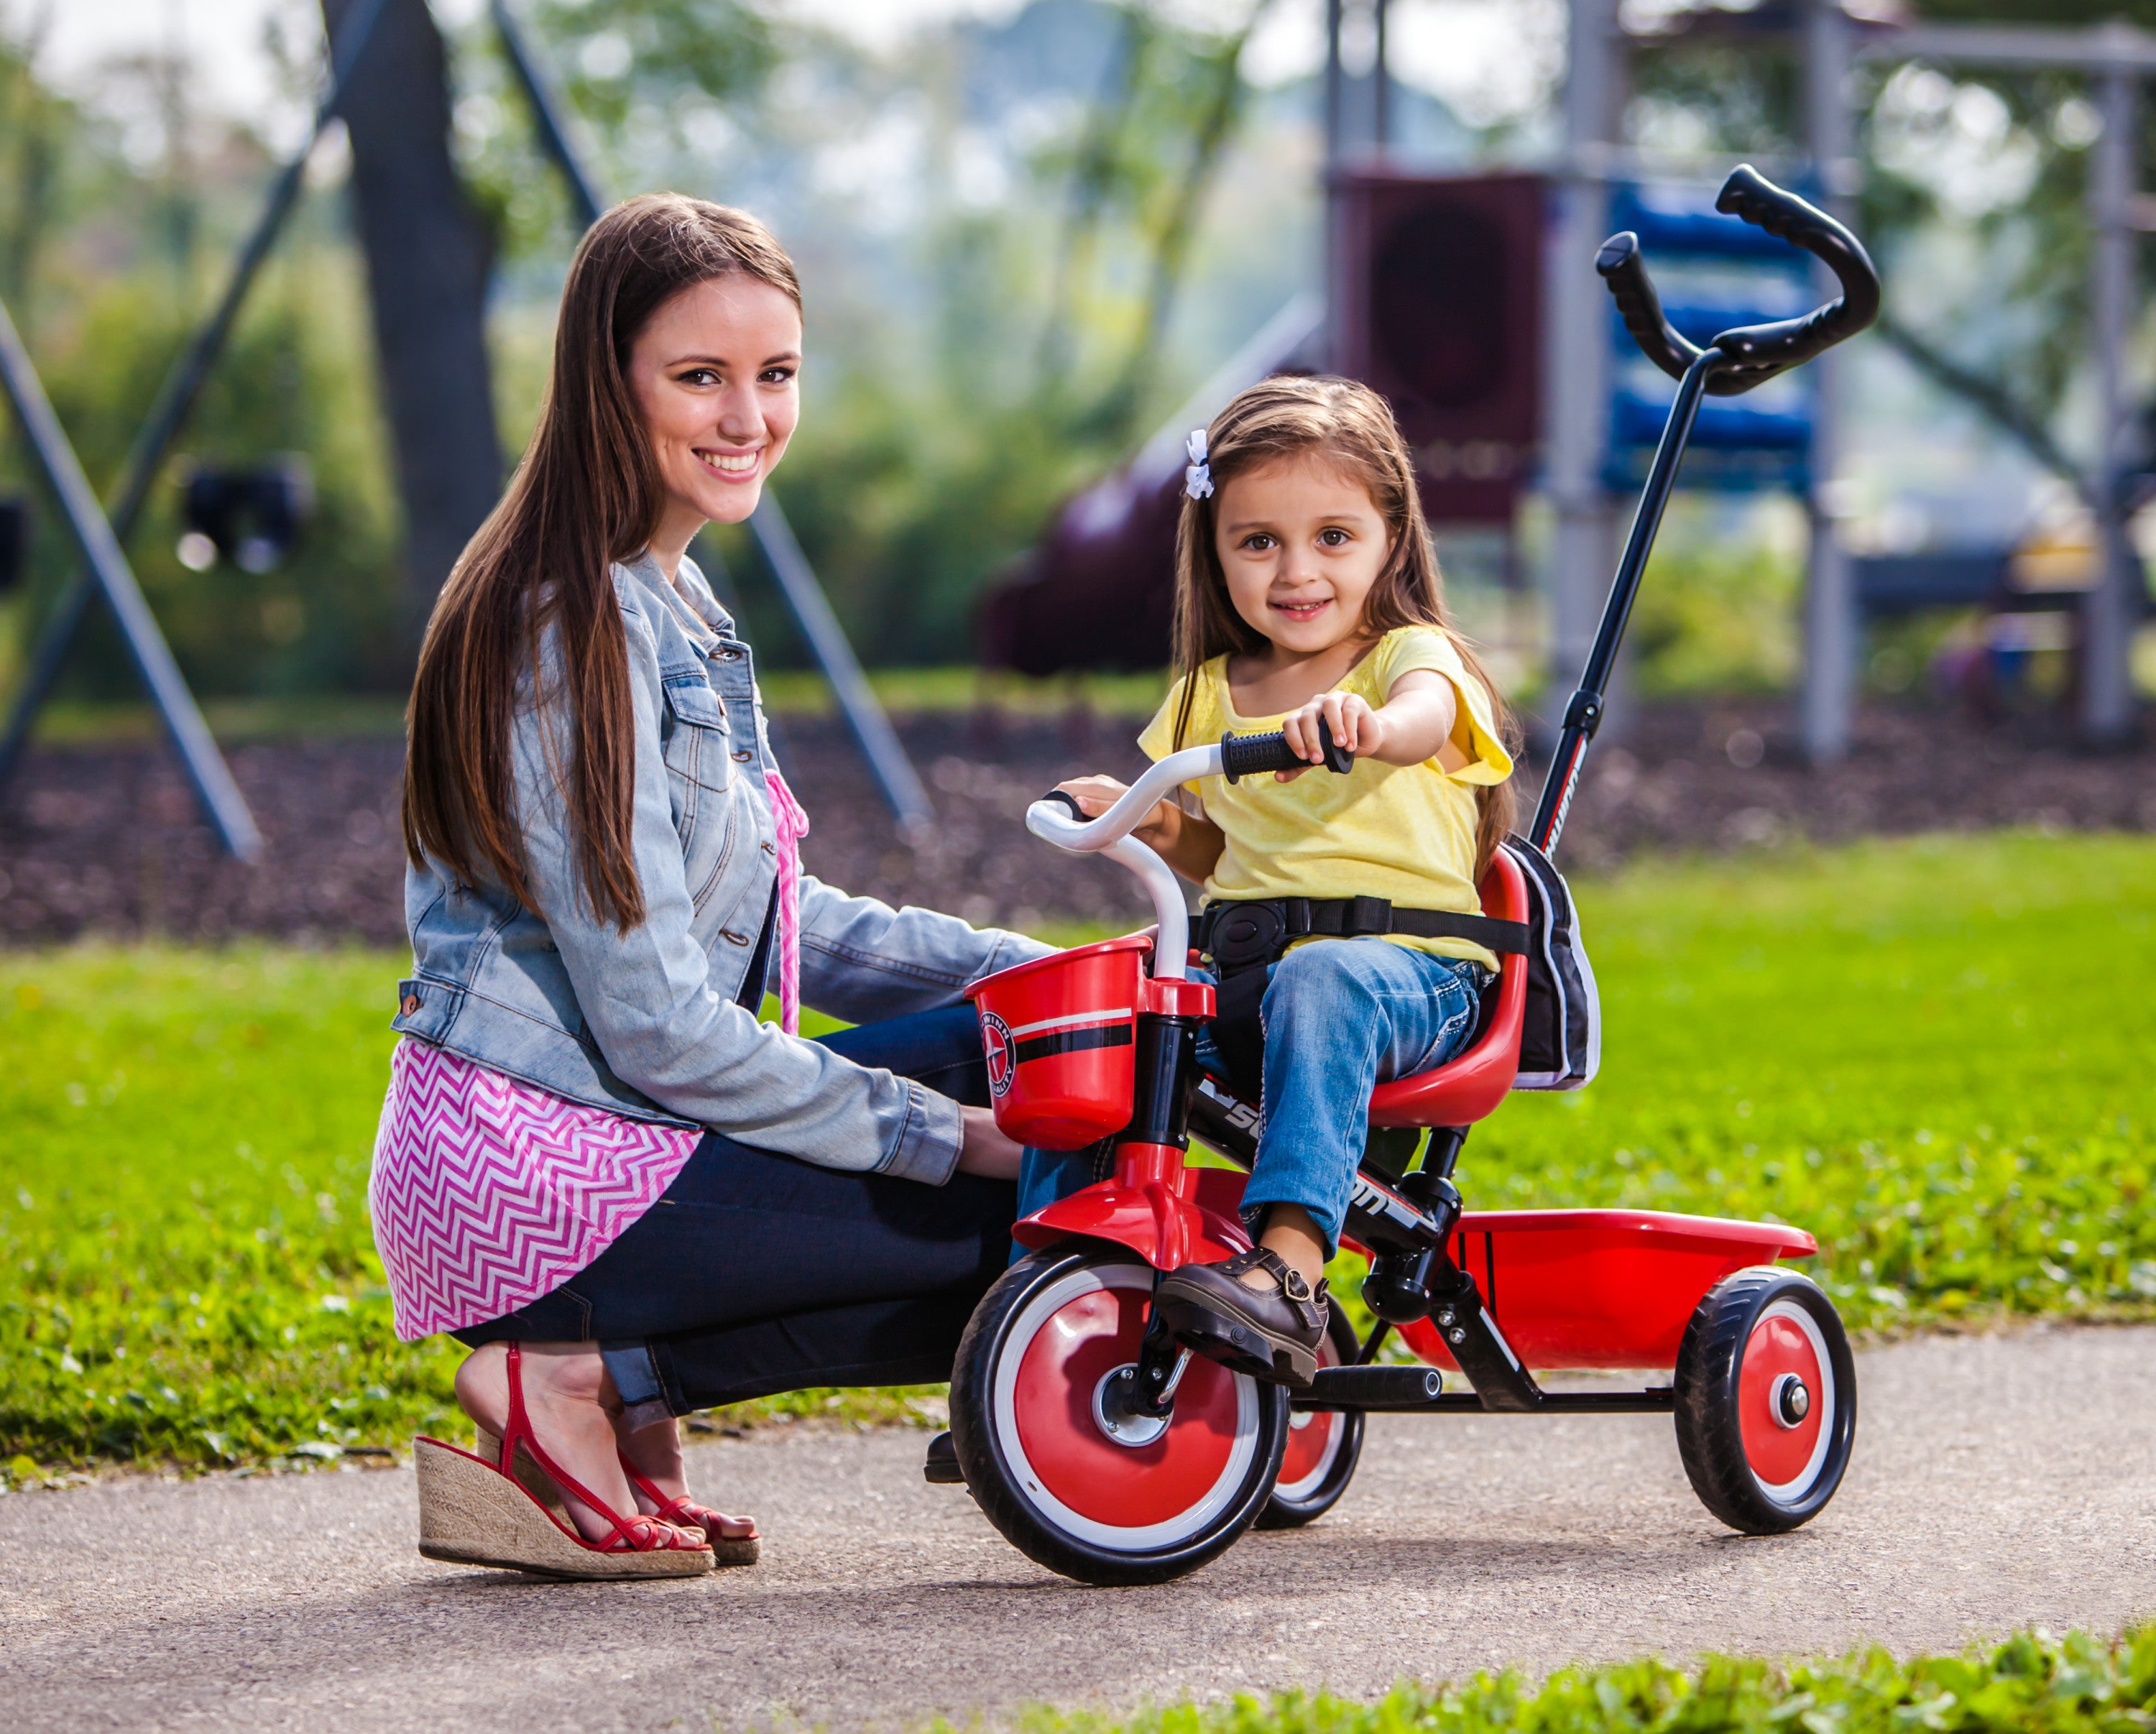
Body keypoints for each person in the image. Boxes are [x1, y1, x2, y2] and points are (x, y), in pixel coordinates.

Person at [372, 194, 1044, 1579]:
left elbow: (788, 919)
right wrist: (945, 1134)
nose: (748, 417)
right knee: (1021, 1205)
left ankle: (609, 1375)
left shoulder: (668, 600)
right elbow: (663, 1026)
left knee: (1045, 1051)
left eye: (775, 373)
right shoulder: (566, 630)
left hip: (607, 1130)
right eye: (700, 377)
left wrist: (1034, 974)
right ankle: (572, 1372)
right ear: (605, 382)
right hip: (544, 1165)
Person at [1039, 376, 1518, 1388]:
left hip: (1412, 979)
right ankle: (1051, 1308)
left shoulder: (1404, 661)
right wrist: (1145, 818)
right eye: (1259, 542)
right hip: (1253, 973)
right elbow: (1223, 856)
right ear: (1215, 551)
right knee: (1100, 1023)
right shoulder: (1206, 696)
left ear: (1391, 536)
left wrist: (1369, 729)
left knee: (1325, 979)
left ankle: (1292, 1272)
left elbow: (1429, 716)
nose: (1297, 570)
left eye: (1333, 537)